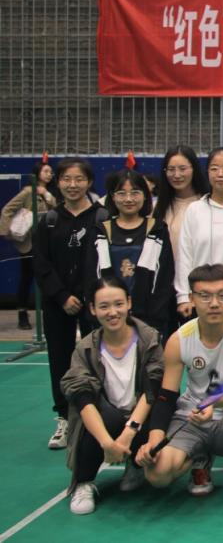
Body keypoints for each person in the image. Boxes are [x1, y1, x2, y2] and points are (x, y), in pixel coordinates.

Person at [137, 264, 223, 516]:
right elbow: (166, 396)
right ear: (192, 299)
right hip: (190, 418)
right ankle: (198, 458)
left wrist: (212, 404)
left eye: (222, 295)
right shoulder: (179, 339)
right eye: (204, 296)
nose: (214, 303)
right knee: (157, 475)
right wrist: (155, 438)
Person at [60, 276, 164, 515]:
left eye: (118, 304)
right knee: (98, 421)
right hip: (105, 420)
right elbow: (83, 399)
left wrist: (128, 433)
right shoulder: (85, 348)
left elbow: (152, 391)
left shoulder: (150, 340)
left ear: (129, 303)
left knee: (162, 413)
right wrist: (107, 443)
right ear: (92, 309)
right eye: (104, 306)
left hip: (140, 418)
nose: (113, 312)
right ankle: (84, 482)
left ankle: (135, 466)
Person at [34, 157, 108, 449]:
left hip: (95, 304)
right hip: (59, 303)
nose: (73, 185)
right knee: (60, 360)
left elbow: (105, 262)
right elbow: (41, 263)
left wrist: (93, 298)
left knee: (99, 360)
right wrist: (62, 296)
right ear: (59, 182)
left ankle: (100, 417)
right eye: (66, 179)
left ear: (89, 182)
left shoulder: (102, 217)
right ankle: (65, 417)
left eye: (79, 179)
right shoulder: (49, 220)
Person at [175, 147, 223, 320]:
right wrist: (183, 296)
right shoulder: (195, 210)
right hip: (202, 295)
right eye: (214, 168)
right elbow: (185, 255)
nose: (220, 174)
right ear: (207, 173)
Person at [95, 169, 175, 334]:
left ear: (145, 195)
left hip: (150, 318)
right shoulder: (101, 231)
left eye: (135, 193)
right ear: (112, 197)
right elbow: (93, 275)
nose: (128, 199)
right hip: (110, 317)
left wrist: (154, 315)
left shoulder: (157, 229)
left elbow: (165, 276)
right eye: (121, 193)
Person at [0, 159, 57, 330]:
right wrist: (5, 231)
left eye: (50, 172)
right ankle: (22, 314)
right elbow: (7, 209)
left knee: (47, 277)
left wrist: (47, 195)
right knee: (27, 278)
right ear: (37, 173)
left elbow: (57, 209)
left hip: (46, 242)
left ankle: (49, 313)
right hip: (29, 242)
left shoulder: (51, 192)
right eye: (46, 171)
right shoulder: (27, 191)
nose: (49, 174)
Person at [152, 145, 209, 259]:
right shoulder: (156, 207)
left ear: (194, 169)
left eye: (182, 169)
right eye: (171, 169)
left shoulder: (208, 203)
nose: (177, 175)